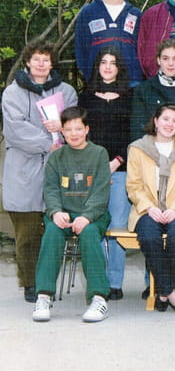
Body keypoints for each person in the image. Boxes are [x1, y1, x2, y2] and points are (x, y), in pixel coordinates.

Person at [2, 38, 77, 302]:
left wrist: (63, 128)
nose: (41, 64)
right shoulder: (12, 93)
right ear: (27, 61)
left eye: (46, 59)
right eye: (36, 59)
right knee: (27, 233)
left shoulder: (66, 91)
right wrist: (49, 141)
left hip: (59, 169)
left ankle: (47, 281)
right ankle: (30, 283)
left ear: (52, 63)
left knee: (53, 231)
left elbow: (76, 124)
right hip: (24, 170)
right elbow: (15, 129)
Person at [31, 107, 111, 323]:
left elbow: (101, 192)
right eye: (68, 130)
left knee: (89, 233)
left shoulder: (99, 153)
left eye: (78, 129)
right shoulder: (56, 156)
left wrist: (87, 216)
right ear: (62, 132)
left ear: (87, 129)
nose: (74, 134)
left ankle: (99, 298)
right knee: (52, 233)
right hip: (63, 213)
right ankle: (43, 296)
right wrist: (56, 212)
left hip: (93, 214)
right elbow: (50, 190)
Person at [126, 104, 175, 314]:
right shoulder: (138, 148)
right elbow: (133, 186)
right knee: (150, 237)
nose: (170, 124)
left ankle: (162, 292)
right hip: (147, 208)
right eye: (166, 119)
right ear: (156, 121)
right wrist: (149, 208)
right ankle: (170, 291)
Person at [78, 47, 132, 300]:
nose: (108, 67)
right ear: (97, 66)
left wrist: (117, 161)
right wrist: (99, 166)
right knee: (94, 225)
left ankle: (115, 282)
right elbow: (80, 135)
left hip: (121, 170)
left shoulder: (130, 96)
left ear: (119, 68)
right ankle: (98, 281)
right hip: (92, 170)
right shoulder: (85, 97)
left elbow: (134, 135)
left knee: (118, 226)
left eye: (113, 63)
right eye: (103, 62)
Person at [75, 0, 143, 84]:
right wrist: (91, 77)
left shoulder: (135, 14)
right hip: (98, 84)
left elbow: (141, 49)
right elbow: (81, 50)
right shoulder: (89, 12)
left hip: (131, 84)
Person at [130, 39, 175, 141]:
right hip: (150, 147)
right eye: (165, 58)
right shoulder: (143, 89)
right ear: (158, 60)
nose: (170, 63)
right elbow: (137, 130)